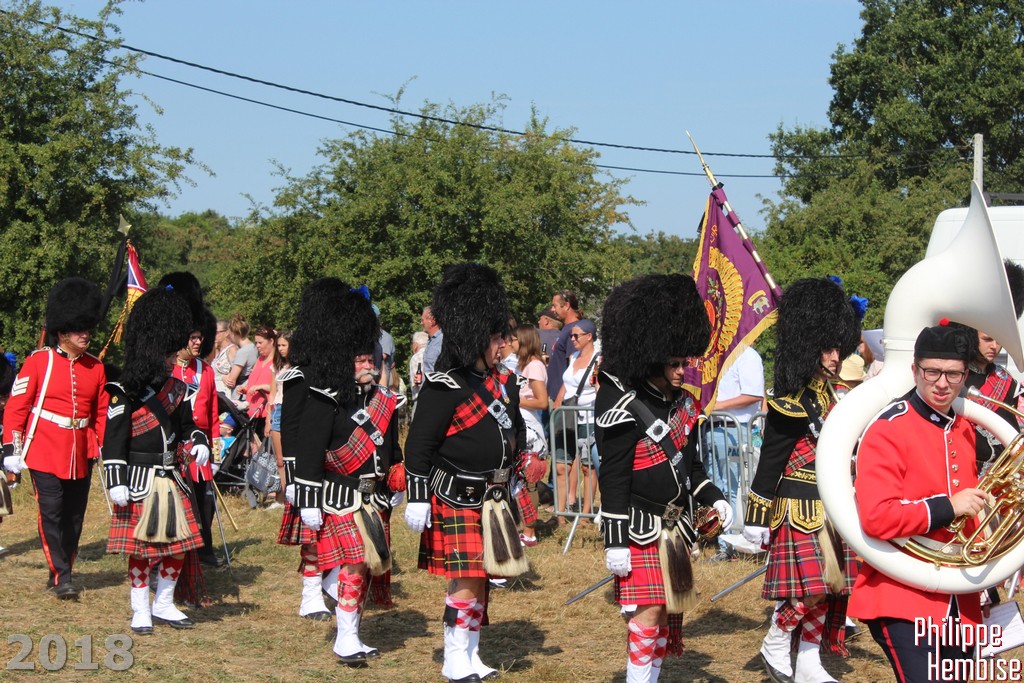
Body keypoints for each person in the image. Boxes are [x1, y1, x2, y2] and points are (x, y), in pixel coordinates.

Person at [596, 274, 732, 683]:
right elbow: (613, 477)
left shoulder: (685, 406)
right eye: (674, 363)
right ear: (652, 359)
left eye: (684, 362)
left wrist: (715, 497)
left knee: (668, 612)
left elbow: (692, 469)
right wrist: (615, 540)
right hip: (639, 526)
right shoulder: (623, 406)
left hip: (676, 529)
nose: (682, 370)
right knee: (650, 611)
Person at [404, 263, 529, 683]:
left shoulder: (502, 382)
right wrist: (417, 496)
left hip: (493, 497)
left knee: (482, 579)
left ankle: (472, 653)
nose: (503, 344)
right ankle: (454, 657)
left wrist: (520, 465)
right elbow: (418, 447)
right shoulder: (444, 385)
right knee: (467, 578)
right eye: (497, 337)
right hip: (455, 494)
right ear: (476, 336)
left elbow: (515, 430)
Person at [849, 323, 986, 681]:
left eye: (953, 374)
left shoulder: (965, 428)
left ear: (965, 376)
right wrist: (948, 507)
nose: (942, 383)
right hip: (902, 593)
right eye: (932, 371)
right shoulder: (888, 427)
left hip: (961, 596)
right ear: (914, 369)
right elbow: (877, 517)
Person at [742, 277, 862, 683]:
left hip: (832, 506)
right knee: (811, 588)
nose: (835, 357)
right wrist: (756, 518)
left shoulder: (833, 395)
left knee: (829, 588)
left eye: (838, 348)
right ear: (808, 346)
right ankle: (777, 638)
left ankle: (809, 661)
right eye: (827, 348)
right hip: (798, 506)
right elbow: (770, 462)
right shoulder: (789, 404)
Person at [288, 279, 404, 667]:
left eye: (372, 360)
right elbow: (309, 452)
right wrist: (307, 500)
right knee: (354, 564)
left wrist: (398, 477)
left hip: (373, 498)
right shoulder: (326, 400)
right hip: (339, 497)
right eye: (361, 360)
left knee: (366, 566)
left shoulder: (384, 401)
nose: (369, 366)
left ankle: (351, 634)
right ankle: (345, 638)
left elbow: (392, 448)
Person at [102, 287, 211, 634]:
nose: (173, 358)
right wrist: (115, 480)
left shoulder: (176, 388)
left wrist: (199, 441)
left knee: (178, 545)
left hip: (171, 475)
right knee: (143, 550)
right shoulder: (124, 392)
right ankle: (140, 608)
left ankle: (163, 602)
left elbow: (188, 426)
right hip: (138, 478)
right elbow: (113, 440)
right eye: (168, 352)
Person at [2, 277, 107, 599]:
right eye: (78, 330)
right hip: (44, 448)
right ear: (62, 332)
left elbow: (101, 414)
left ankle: (62, 567)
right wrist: (11, 449)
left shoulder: (96, 368)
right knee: (51, 510)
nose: (85, 334)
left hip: (81, 450)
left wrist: (105, 447)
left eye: (87, 329)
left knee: (74, 515)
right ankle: (63, 576)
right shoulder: (39, 362)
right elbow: (17, 408)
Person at [159, 271, 222, 570]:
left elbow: (212, 413)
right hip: (177, 442)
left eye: (200, 337)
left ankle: (204, 549)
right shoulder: (169, 369)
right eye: (193, 338)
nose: (198, 342)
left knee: (205, 499)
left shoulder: (205, 370)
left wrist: (215, 449)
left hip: (201, 444)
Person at [702, 346, 764, 559]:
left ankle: (729, 546)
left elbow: (754, 395)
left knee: (730, 489)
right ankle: (723, 541)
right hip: (712, 427)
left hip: (733, 429)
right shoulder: (715, 355)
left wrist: (716, 405)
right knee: (716, 486)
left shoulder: (748, 355)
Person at [553, 319, 600, 518]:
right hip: (567, 417)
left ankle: (586, 515)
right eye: (571, 335)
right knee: (561, 465)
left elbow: (599, 387)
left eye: (576, 335)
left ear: (589, 336)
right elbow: (567, 383)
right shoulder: (573, 357)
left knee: (588, 467)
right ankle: (560, 513)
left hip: (588, 418)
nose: (572, 339)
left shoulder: (599, 360)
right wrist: (558, 401)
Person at [511, 324, 547, 547]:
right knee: (521, 480)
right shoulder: (525, 365)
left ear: (523, 340)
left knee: (529, 480)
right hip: (522, 424)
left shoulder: (534, 366)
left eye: (514, 339)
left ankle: (530, 532)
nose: (510, 343)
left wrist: (515, 400)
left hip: (530, 427)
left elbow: (542, 401)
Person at [547, 289, 588, 402]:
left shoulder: (574, 330)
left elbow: (574, 366)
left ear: (566, 306)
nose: (552, 309)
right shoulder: (567, 328)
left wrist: (559, 398)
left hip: (563, 400)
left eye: (555, 306)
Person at [223, 314, 256, 402]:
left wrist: (223, 377)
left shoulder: (242, 352)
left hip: (239, 396)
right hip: (250, 392)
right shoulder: (254, 347)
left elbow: (231, 381)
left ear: (234, 333)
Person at [210, 320, 237, 396]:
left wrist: (226, 377)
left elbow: (235, 374)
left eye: (217, 332)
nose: (214, 335)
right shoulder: (216, 350)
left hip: (225, 393)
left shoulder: (232, 350)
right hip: (215, 391)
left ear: (226, 333)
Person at [421, 305, 443, 374]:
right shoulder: (430, 340)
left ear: (432, 320)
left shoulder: (442, 340)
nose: (421, 323)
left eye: (422, 320)